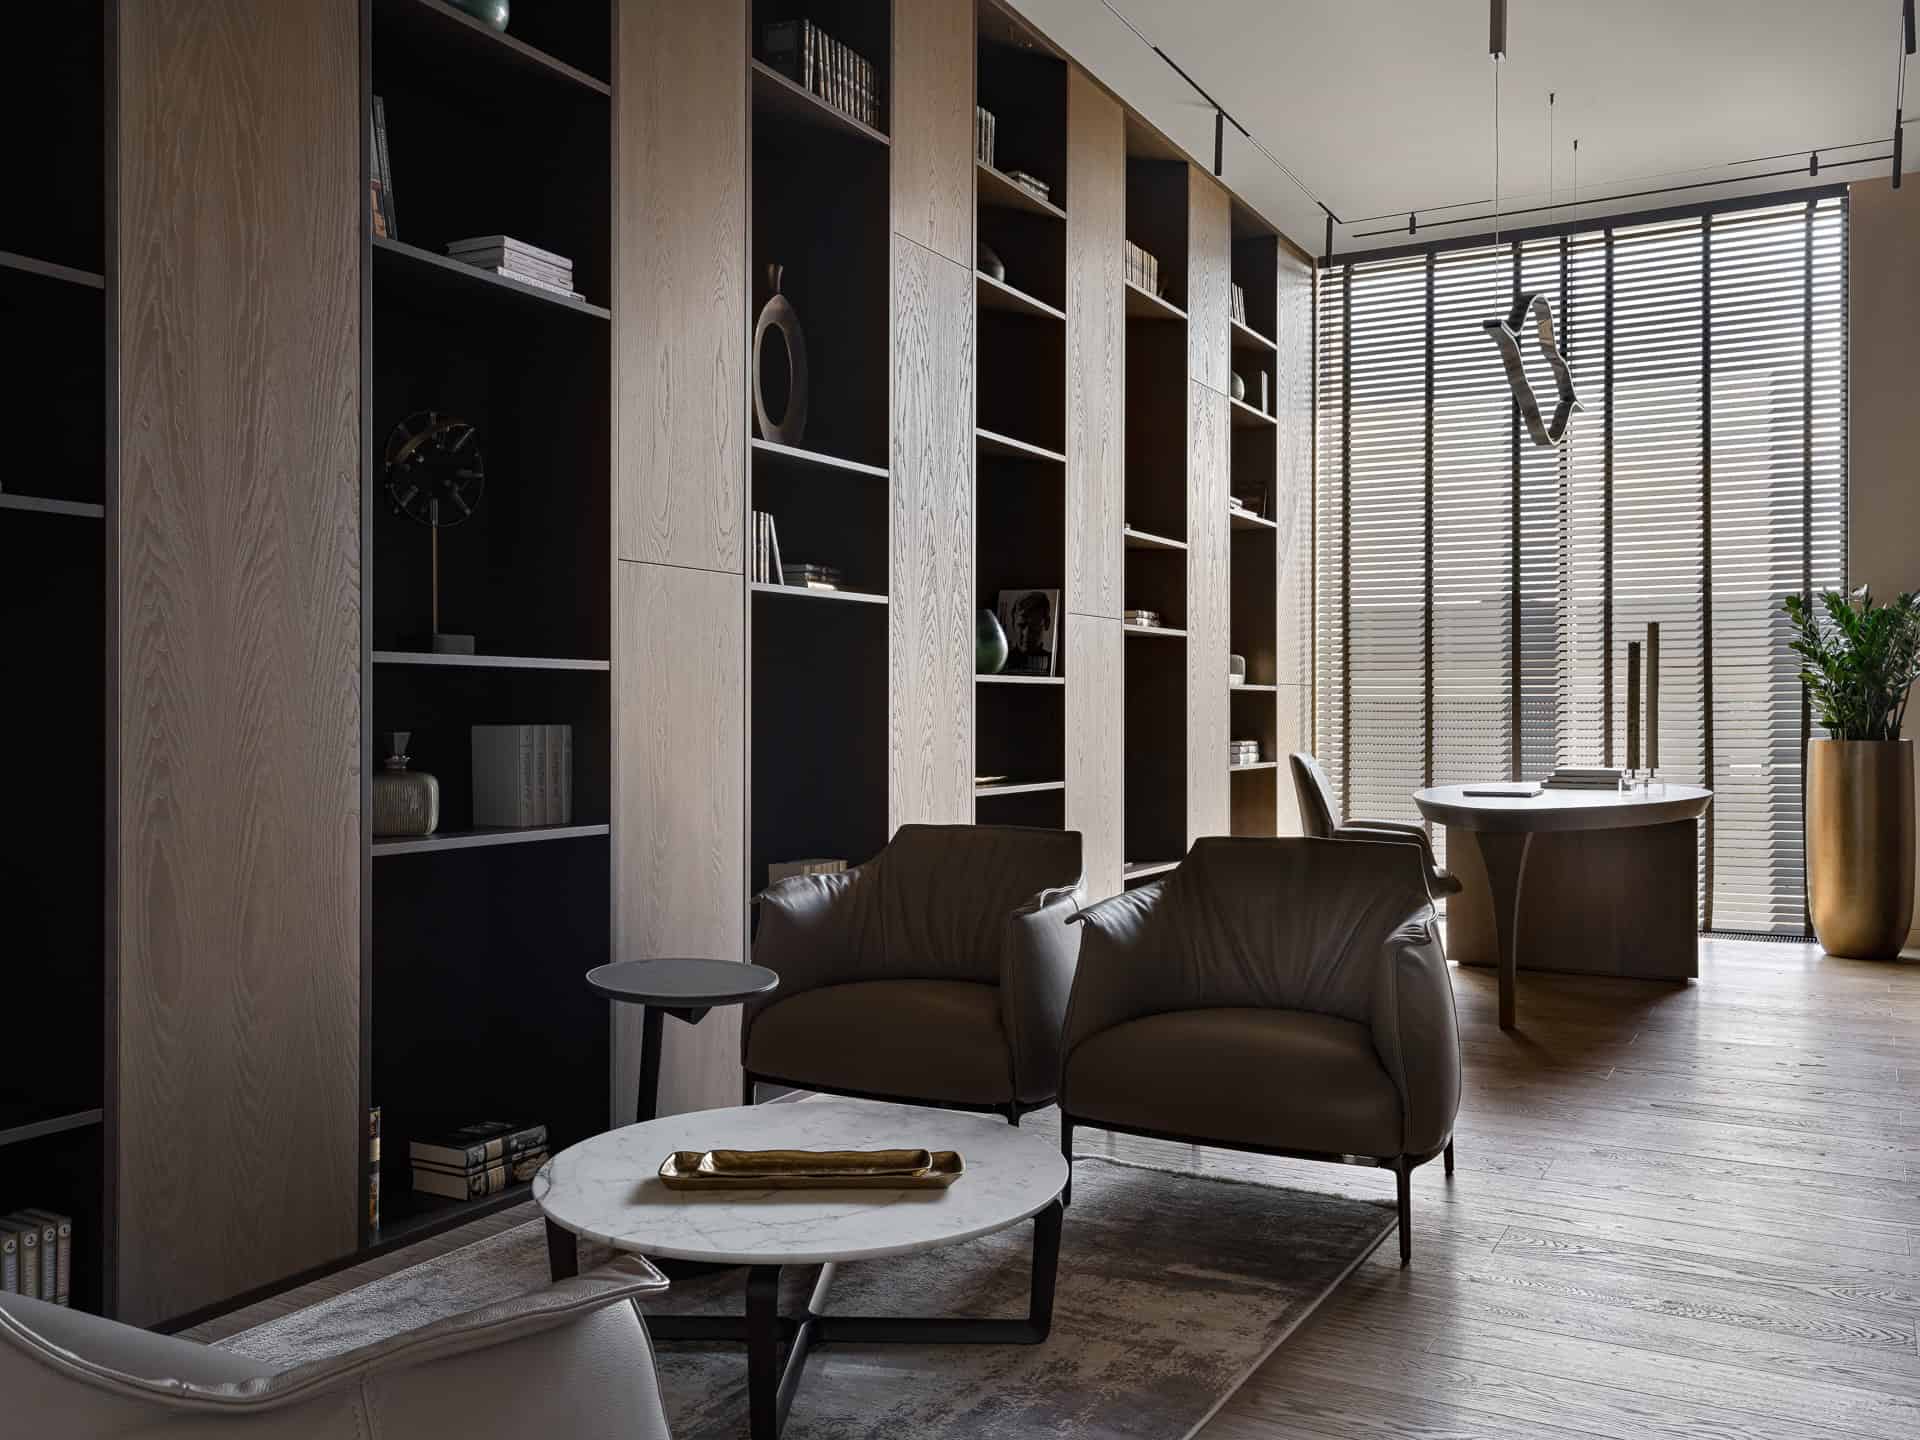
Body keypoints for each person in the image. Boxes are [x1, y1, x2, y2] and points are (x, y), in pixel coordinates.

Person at [1005, 590, 1055, 675]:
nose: (1026, 634)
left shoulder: (1055, 662)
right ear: (1013, 623)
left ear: (1047, 623)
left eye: (1034, 626)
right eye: (1021, 626)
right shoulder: (1002, 660)